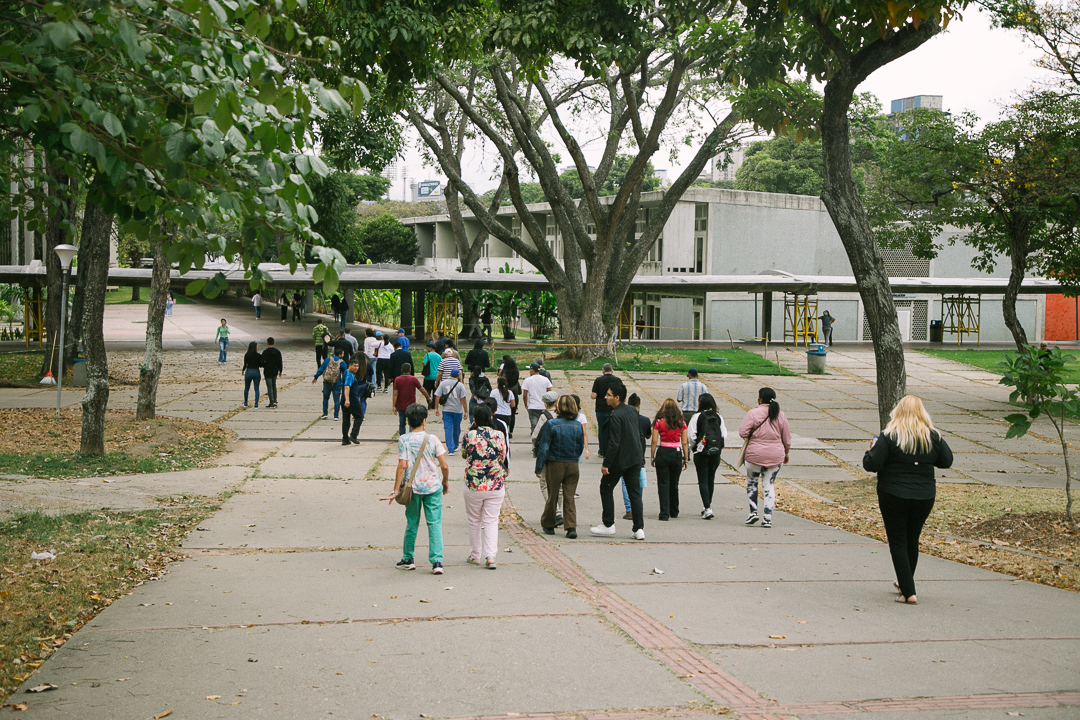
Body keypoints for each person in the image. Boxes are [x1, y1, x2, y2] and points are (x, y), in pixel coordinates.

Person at [863, 396, 953, 605]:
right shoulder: (932, 437)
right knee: (912, 539)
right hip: (924, 495)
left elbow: (871, 464)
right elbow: (946, 461)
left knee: (898, 541)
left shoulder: (889, 436)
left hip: (893, 493)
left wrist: (870, 450)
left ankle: (909, 591)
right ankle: (905, 583)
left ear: (898, 411)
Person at [382, 403, 450, 575]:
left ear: (408, 422)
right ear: (424, 421)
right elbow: (444, 465)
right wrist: (445, 482)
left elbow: (402, 466)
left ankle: (408, 558)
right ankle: (437, 561)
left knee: (412, 523)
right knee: (434, 524)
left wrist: (395, 489)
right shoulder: (433, 439)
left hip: (412, 488)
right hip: (432, 487)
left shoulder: (404, 439)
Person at [592, 379, 646, 539]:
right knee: (635, 493)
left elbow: (614, 442)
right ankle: (638, 528)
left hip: (620, 460)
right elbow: (638, 434)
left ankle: (608, 524)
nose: (605, 397)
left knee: (606, 488)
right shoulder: (631, 411)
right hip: (635, 458)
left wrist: (606, 463)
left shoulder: (615, 415)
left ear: (617, 398)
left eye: (608, 395)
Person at [460, 405, 507, 569]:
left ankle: (475, 555)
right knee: (491, 520)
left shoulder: (469, 435)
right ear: (491, 418)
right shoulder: (499, 435)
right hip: (495, 483)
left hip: (474, 483)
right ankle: (491, 556)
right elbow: (502, 455)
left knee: (474, 520)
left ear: (474, 419)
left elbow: (464, 454)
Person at [738, 387, 791, 529]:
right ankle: (767, 518)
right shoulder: (781, 415)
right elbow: (786, 438)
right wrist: (785, 452)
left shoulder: (753, 413)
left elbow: (743, 432)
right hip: (775, 455)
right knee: (769, 485)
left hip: (754, 455)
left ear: (760, 398)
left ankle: (753, 511)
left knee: (752, 483)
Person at [535, 395, 584, 539]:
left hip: (555, 462)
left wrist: (539, 467)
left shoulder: (552, 424)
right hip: (572, 463)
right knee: (569, 495)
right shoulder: (577, 425)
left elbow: (544, 447)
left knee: (553, 494)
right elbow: (580, 445)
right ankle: (571, 526)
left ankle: (549, 523)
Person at [687, 393, 727, 519]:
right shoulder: (718, 417)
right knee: (711, 478)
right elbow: (723, 435)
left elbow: (691, 436)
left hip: (701, 452)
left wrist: (693, 448)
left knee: (703, 479)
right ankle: (707, 505)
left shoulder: (696, 417)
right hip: (715, 452)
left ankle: (707, 507)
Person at [651, 398, 688, 521]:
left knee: (663, 484)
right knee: (674, 483)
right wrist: (686, 458)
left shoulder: (659, 422)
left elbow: (654, 441)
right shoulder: (681, 423)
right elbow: (684, 443)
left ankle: (664, 513)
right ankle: (674, 510)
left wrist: (652, 456)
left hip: (663, 451)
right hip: (676, 452)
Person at [531, 391, 561, 525]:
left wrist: (535, 449)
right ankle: (559, 511)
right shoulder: (563, 415)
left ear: (545, 403)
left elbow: (535, 435)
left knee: (544, 484)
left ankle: (556, 511)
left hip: (547, 454)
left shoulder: (545, 416)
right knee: (558, 486)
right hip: (561, 454)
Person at [625, 394, 651, 520]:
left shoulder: (624, 418)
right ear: (639, 405)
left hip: (626, 453)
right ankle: (637, 505)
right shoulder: (645, 420)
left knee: (625, 482)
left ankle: (629, 508)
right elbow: (648, 436)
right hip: (639, 453)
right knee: (639, 481)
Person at [435, 367, 468, 453]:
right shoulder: (460, 385)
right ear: (459, 375)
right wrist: (466, 411)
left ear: (450, 374)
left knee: (448, 428)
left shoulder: (443, 383)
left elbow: (437, 395)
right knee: (456, 428)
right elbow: (463, 399)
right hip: (457, 410)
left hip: (446, 409)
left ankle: (450, 448)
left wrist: (436, 408)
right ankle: (455, 445)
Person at [590, 363, 620, 456]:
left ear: (603, 371)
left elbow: (593, 396)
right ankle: (614, 450)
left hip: (601, 409)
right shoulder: (617, 380)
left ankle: (602, 450)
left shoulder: (598, 380)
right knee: (615, 429)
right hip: (614, 408)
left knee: (602, 429)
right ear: (612, 371)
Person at [393, 363, 430, 437]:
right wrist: (428, 397)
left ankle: (402, 437)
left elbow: (395, 393)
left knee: (402, 423)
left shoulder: (397, 379)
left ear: (401, 370)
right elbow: (421, 389)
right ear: (410, 371)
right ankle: (411, 436)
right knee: (412, 422)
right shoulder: (413, 379)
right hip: (411, 405)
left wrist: (394, 405)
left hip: (401, 405)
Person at [312, 346, 347, 421]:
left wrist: (316, 377)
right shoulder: (342, 362)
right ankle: (336, 416)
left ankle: (325, 414)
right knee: (336, 400)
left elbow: (321, 369)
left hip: (327, 382)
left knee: (325, 398)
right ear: (340, 354)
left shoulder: (327, 360)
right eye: (343, 354)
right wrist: (344, 383)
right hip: (337, 383)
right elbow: (344, 373)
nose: (343, 355)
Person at [341, 356, 370, 445]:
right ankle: (353, 435)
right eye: (354, 366)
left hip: (343, 400)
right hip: (352, 400)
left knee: (346, 419)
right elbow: (346, 386)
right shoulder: (349, 375)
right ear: (349, 366)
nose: (356, 368)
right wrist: (347, 400)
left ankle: (345, 438)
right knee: (359, 417)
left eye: (357, 366)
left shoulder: (345, 373)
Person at [521, 362, 553, 431]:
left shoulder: (527, 380)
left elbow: (525, 394)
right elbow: (550, 393)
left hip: (533, 406)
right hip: (544, 406)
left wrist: (526, 405)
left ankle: (534, 437)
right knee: (544, 424)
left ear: (532, 370)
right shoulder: (545, 380)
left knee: (534, 424)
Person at [499, 356, 522, 438]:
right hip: (514, 394)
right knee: (512, 414)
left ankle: (503, 429)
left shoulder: (504, 373)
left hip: (505, 393)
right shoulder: (516, 372)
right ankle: (511, 432)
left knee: (503, 412)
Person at [261, 337, 283, 409]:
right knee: (274, 385)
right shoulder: (277, 351)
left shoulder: (265, 352)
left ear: (267, 343)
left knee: (269, 387)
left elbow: (261, 362)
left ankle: (271, 402)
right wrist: (280, 370)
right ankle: (275, 400)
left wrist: (264, 365)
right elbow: (280, 361)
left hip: (267, 370)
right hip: (275, 370)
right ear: (274, 343)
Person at [242, 341, 262, 408]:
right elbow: (261, 364)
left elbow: (245, 364)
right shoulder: (258, 355)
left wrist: (243, 370)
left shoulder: (247, 355)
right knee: (256, 388)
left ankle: (245, 402)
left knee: (246, 388)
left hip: (249, 371)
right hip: (256, 371)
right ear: (256, 347)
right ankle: (256, 404)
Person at [571, 394, 591, 461]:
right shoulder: (581, 416)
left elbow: (584, 433)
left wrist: (587, 449)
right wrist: (587, 450)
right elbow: (584, 433)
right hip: (577, 444)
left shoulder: (581, 416)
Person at [422, 341, 442, 409]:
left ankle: (429, 400)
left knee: (426, 390)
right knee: (435, 391)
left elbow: (424, 363)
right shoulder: (439, 356)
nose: (427, 348)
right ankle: (434, 404)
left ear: (431, 348)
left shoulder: (427, 355)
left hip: (428, 376)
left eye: (428, 347)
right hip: (436, 377)